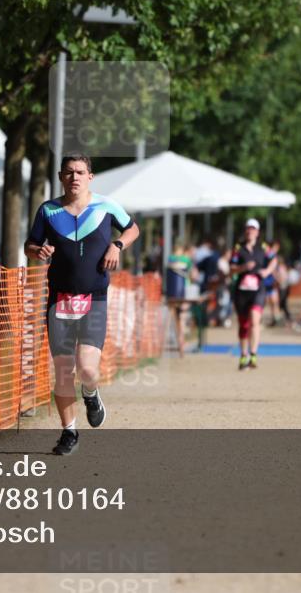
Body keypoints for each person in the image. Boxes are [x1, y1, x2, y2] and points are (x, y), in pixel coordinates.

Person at [24, 154, 140, 455]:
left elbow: (133, 229)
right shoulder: (48, 210)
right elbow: (30, 245)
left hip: (94, 298)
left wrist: (117, 245)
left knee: (87, 369)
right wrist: (38, 251)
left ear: (90, 176)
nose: (74, 177)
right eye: (68, 172)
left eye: (79, 172)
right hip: (59, 300)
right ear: (61, 177)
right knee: (63, 371)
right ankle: (69, 432)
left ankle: (91, 393)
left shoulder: (106, 206)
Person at [230, 219, 276, 370]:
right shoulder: (238, 248)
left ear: (257, 232)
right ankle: (243, 355)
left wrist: (267, 271)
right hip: (242, 291)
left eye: (253, 229)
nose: (250, 231)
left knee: (255, 321)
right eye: (248, 229)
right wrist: (243, 267)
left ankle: (253, 354)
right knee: (244, 325)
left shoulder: (263, 247)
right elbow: (231, 268)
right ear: (245, 231)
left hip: (258, 289)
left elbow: (274, 259)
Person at [165, 243, 194, 357]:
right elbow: (192, 273)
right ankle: (181, 344)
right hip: (182, 292)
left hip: (171, 293)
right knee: (181, 318)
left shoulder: (170, 259)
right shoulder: (186, 260)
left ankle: (173, 344)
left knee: (172, 318)